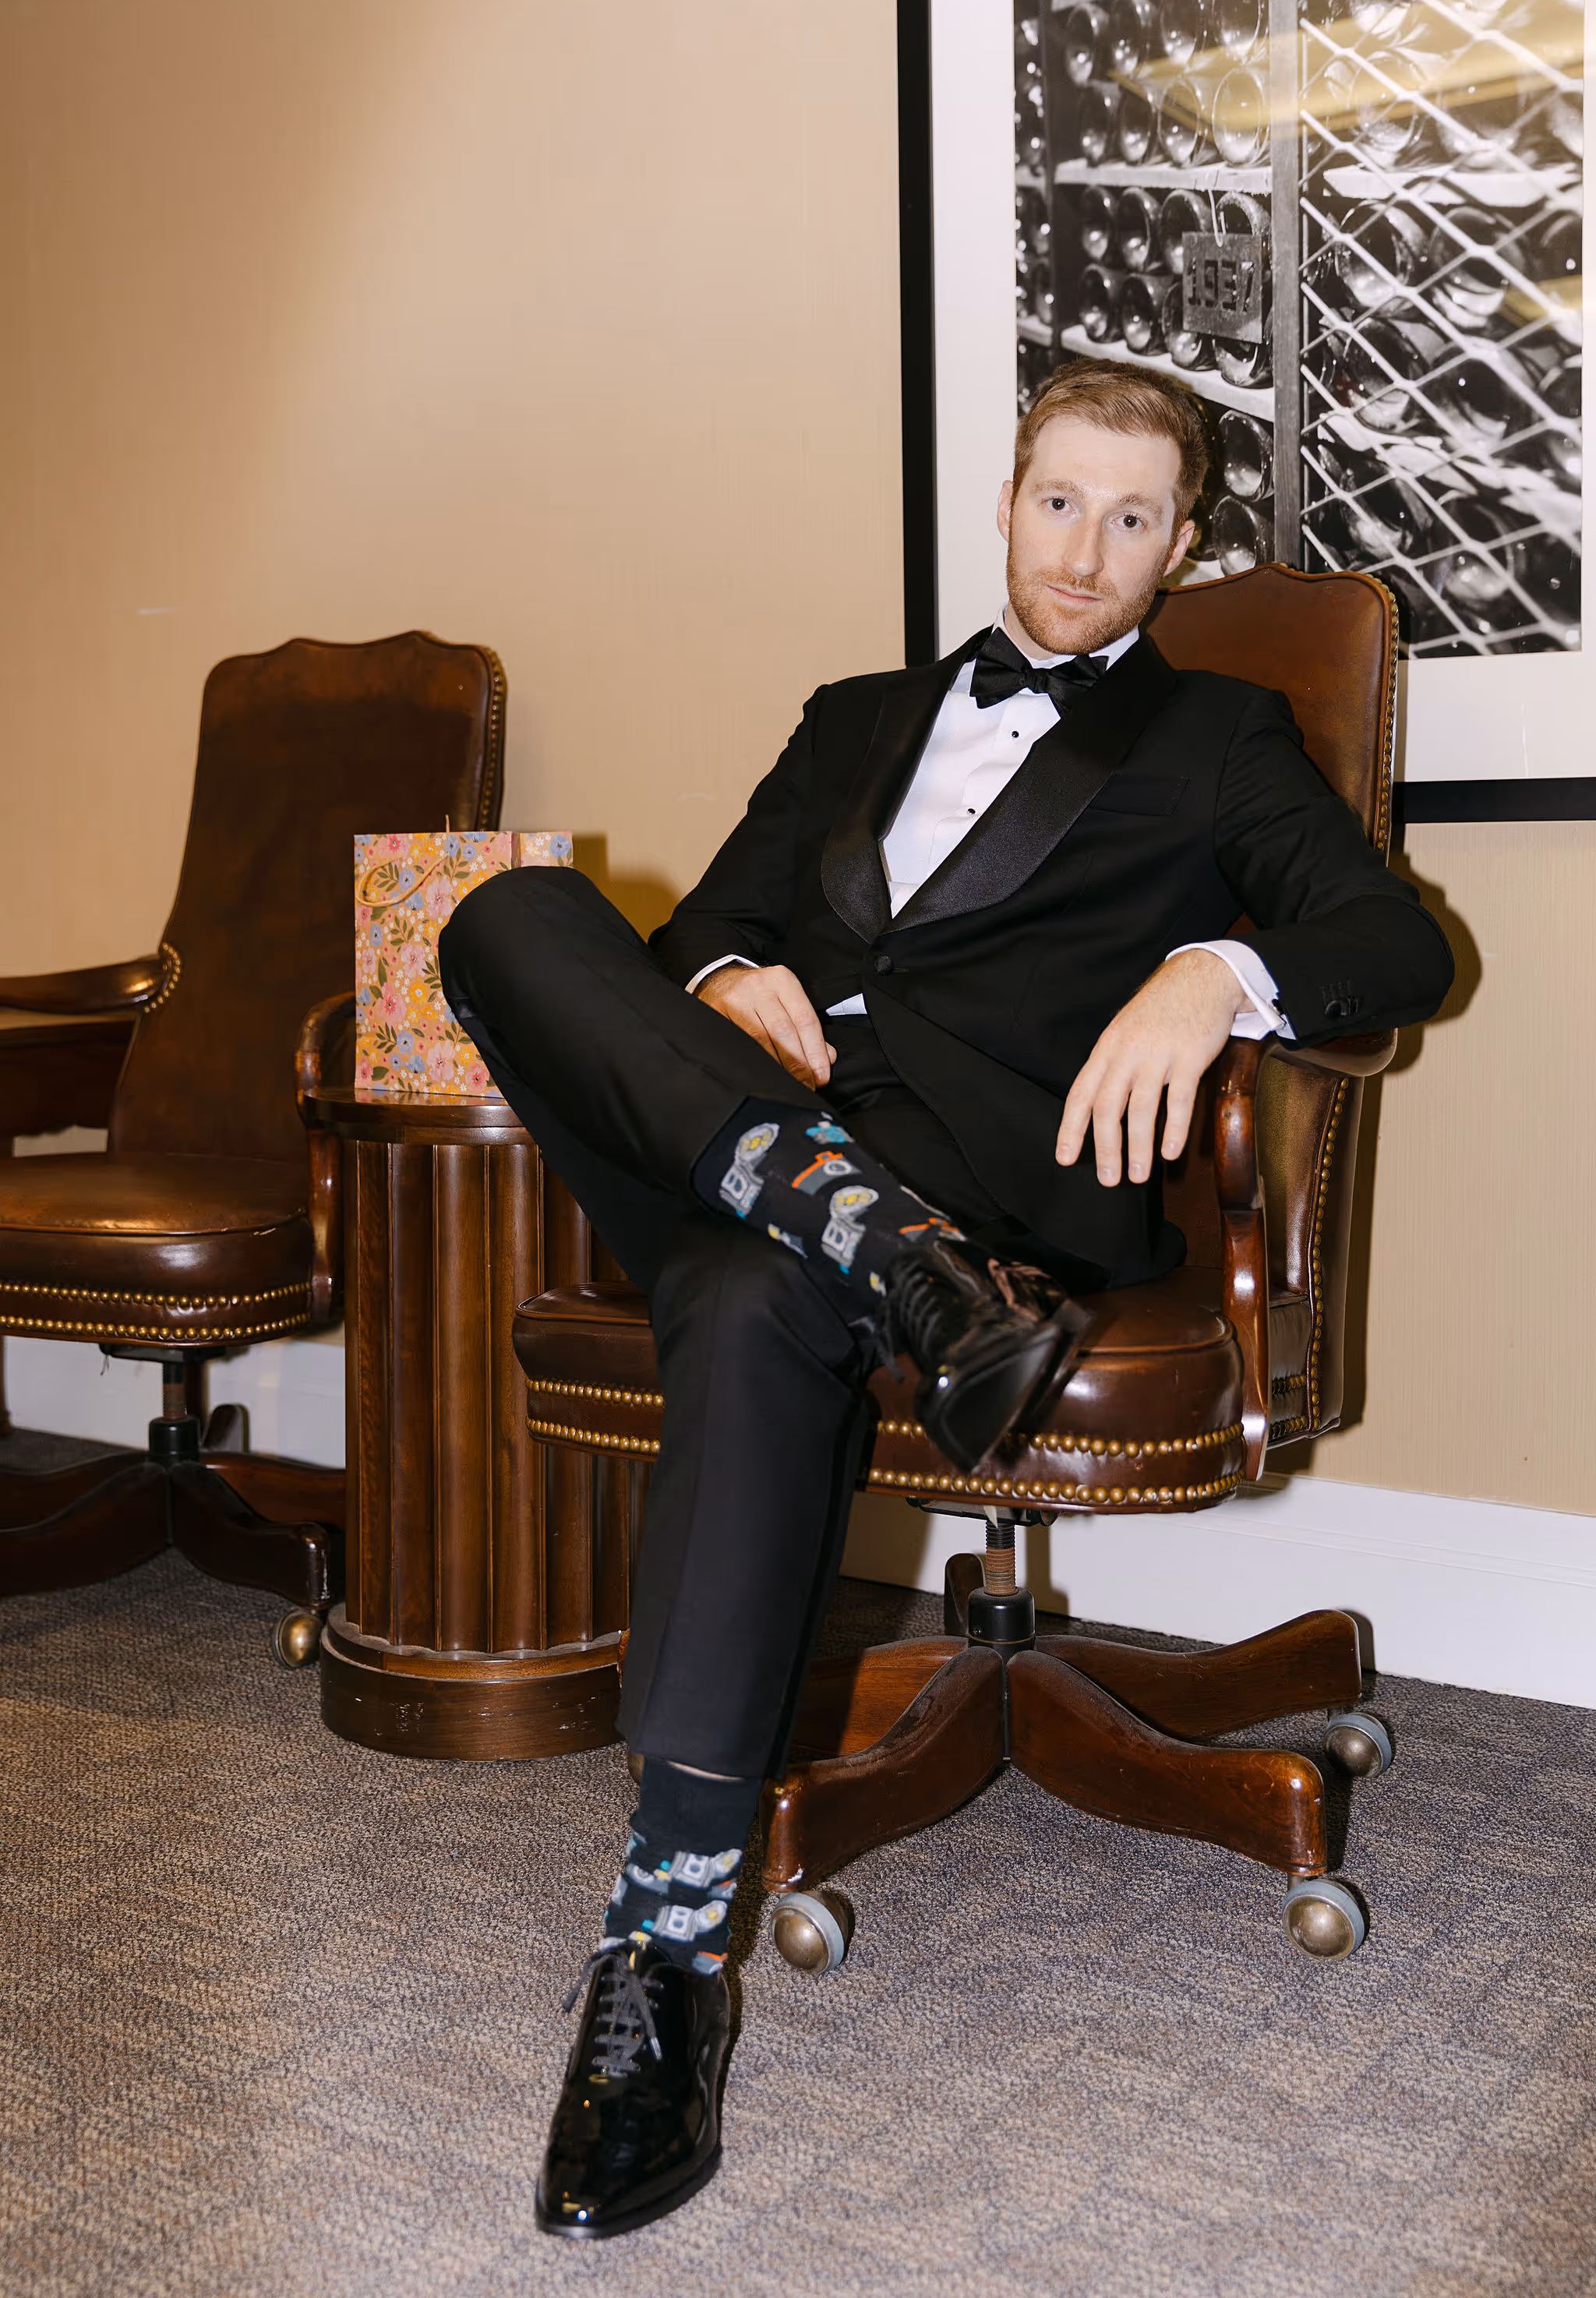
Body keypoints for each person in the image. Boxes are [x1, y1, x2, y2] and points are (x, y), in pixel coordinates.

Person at [438, 360, 1453, 2240]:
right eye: (1061, 501)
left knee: (749, 1307)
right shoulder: (855, 717)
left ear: (1179, 547)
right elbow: (678, 946)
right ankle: (880, 1257)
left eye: (1135, 519)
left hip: (990, 1182)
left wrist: (1211, 973)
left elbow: (1393, 937)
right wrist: (734, 966)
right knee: (497, 918)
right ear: (1004, 501)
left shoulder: (1215, 737)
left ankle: (660, 1963)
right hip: (753, 1144)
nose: (1089, 551)